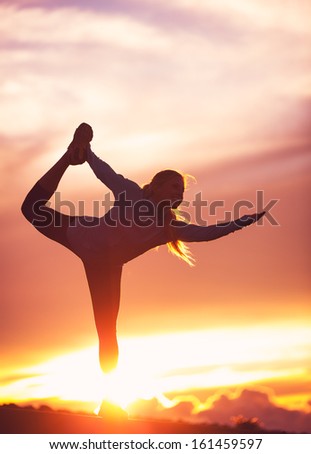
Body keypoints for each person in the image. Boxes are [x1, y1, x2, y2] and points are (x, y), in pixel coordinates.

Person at [21, 123, 265, 374]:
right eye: (174, 186)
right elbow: (106, 173)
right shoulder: (130, 192)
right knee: (31, 209)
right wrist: (86, 152)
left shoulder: (167, 228)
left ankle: (110, 399)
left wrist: (242, 222)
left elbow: (207, 233)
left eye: (181, 191)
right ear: (156, 186)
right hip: (81, 233)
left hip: (105, 269)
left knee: (106, 332)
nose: (179, 193)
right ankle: (70, 154)